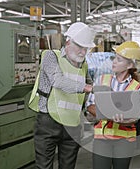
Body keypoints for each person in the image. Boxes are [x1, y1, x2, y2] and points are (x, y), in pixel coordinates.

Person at [28, 22, 95, 169]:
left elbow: (91, 87)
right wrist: (87, 87)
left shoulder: (83, 65)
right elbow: (57, 80)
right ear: (68, 41)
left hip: (72, 124)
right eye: (80, 47)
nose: (83, 52)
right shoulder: (51, 57)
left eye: (86, 48)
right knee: (44, 166)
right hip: (48, 122)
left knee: (68, 166)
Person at [86, 41, 140, 169]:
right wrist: (107, 114)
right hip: (102, 139)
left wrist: (124, 120)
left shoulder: (136, 88)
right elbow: (90, 105)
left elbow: (135, 117)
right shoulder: (101, 80)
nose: (114, 62)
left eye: (119, 60)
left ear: (130, 65)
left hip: (124, 142)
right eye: (114, 58)